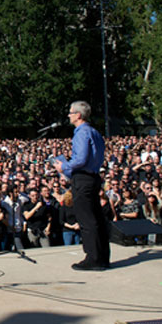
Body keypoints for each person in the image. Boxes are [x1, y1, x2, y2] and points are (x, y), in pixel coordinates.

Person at [54, 101, 109, 271]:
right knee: (97, 218)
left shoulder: (81, 133)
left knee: (87, 219)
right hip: (93, 177)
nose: (69, 116)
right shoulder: (94, 132)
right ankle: (102, 257)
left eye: (71, 113)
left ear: (78, 115)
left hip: (83, 179)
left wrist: (64, 167)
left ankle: (92, 258)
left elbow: (81, 159)